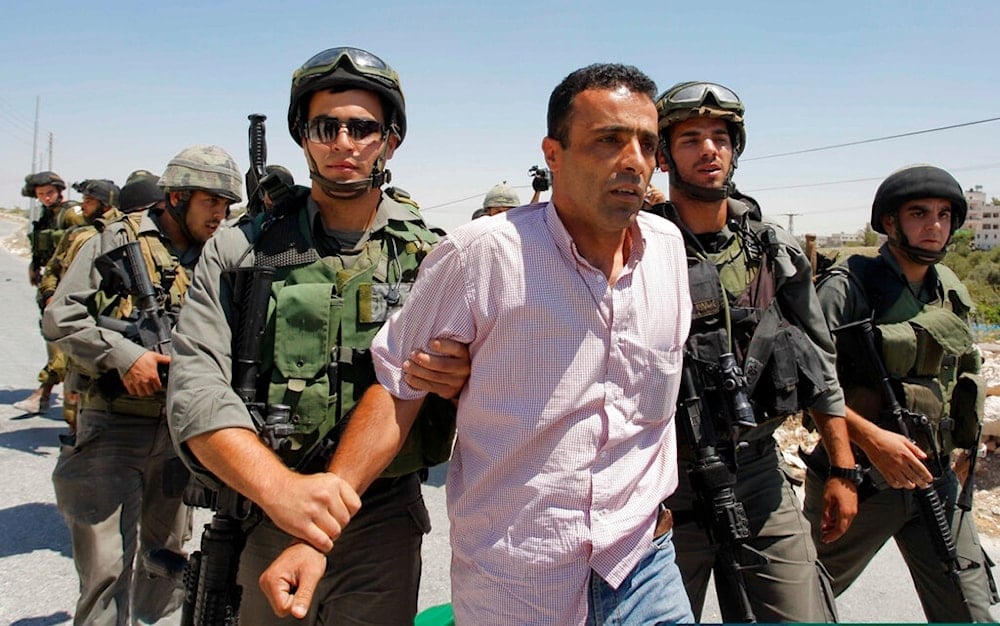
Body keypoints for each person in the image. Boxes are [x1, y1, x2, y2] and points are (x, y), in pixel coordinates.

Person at [260, 62, 696, 626]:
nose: (633, 160)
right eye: (608, 140)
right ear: (554, 153)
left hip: (643, 566)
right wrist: (317, 538)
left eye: (646, 143)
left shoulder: (667, 251)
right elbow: (398, 388)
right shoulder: (482, 256)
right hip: (519, 581)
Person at [165, 47, 467, 626]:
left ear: (391, 141)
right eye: (326, 127)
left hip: (380, 519)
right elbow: (197, 391)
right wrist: (280, 491)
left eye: (363, 128)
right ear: (303, 138)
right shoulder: (240, 251)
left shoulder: (431, 258)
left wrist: (459, 380)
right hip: (266, 509)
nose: (343, 142)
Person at [646, 80, 857, 622]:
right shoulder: (634, 248)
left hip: (758, 475)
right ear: (664, 155)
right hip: (662, 485)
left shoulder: (775, 253)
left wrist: (841, 468)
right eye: (690, 138)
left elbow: (819, 366)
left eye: (720, 137)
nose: (709, 150)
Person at [43, 145, 243, 625]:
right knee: (106, 570)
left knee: (167, 563)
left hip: (179, 433)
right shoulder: (115, 241)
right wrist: (126, 356)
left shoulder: (220, 255)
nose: (219, 214)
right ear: (175, 198)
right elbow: (61, 318)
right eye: (209, 202)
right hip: (112, 428)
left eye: (225, 205)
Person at [803, 164, 999, 622]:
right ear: (890, 223)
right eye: (919, 213)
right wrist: (870, 443)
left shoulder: (949, 289)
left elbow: (958, 376)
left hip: (936, 477)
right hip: (861, 481)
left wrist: (966, 450)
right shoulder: (848, 287)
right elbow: (806, 383)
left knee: (969, 605)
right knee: (802, 602)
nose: (934, 225)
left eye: (944, 214)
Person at [38, 178, 122, 439]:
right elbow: (52, 269)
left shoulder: (120, 237)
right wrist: (51, 295)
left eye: (90, 201)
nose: (83, 206)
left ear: (106, 204)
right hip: (71, 319)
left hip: (100, 323)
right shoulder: (75, 236)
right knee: (74, 378)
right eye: (83, 200)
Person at [14, 171, 85, 415]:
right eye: (41, 194)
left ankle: (44, 393)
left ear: (59, 191)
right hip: (50, 281)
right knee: (53, 336)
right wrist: (35, 266)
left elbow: (85, 243)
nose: (45, 198)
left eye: (49, 193)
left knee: (60, 339)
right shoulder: (46, 217)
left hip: (68, 284)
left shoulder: (72, 213)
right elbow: (41, 245)